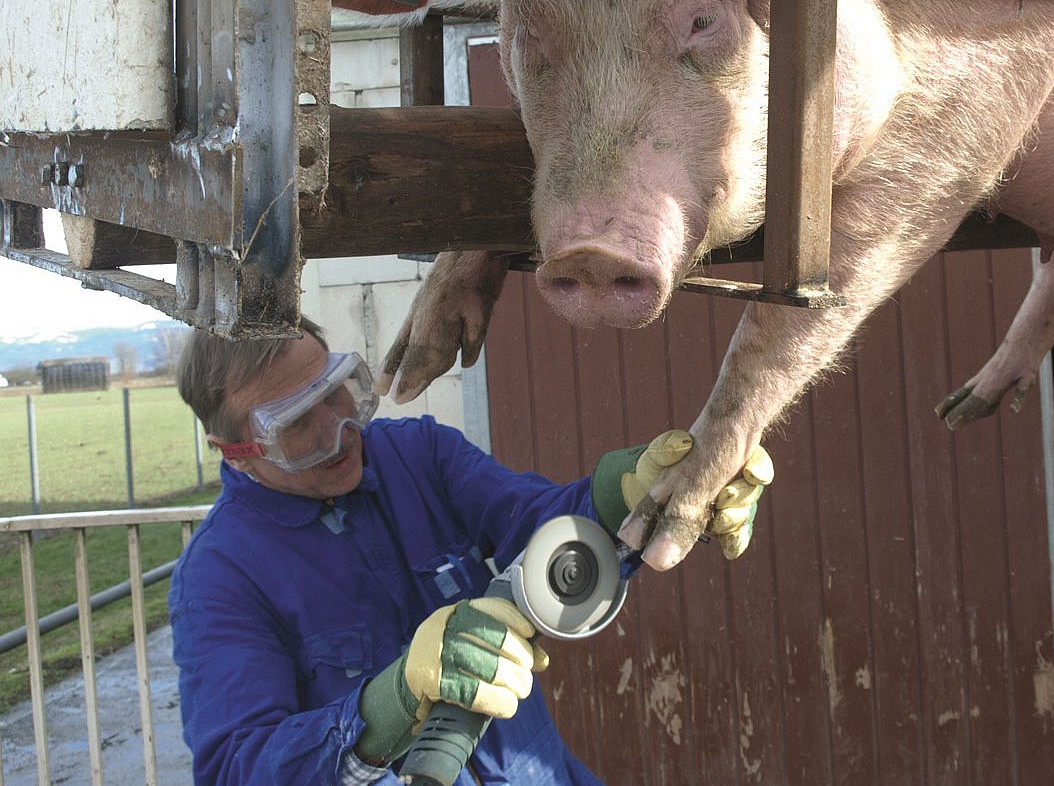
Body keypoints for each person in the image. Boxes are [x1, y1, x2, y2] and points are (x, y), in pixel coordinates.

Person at [168, 316, 772, 785]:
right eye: (298, 424)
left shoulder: (417, 457)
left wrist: (637, 495)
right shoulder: (219, 578)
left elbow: (542, 528)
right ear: (236, 450)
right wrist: (382, 709)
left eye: (338, 389)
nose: (340, 430)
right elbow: (235, 769)